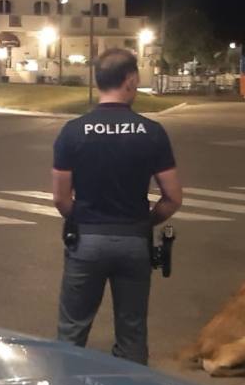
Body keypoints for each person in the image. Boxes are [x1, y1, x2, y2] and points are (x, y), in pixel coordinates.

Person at [52, 48, 182, 364]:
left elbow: (60, 197)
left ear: (98, 81)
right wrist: (144, 222)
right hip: (134, 241)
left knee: (72, 330)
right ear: (131, 79)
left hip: (86, 241)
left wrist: (81, 218)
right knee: (132, 331)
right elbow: (173, 198)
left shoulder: (72, 131)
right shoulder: (151, 132)